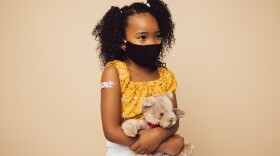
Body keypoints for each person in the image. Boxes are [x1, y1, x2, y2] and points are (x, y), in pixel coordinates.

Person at [92, 0, 184, 155]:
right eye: (142, 37)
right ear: (122, 42)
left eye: (157, 36)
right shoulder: (114, 72)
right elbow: (111, 130)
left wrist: (158, 135)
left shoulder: (166, 76)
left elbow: (173, 119)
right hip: (124, 150)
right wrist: (161, 145)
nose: (152, 43)